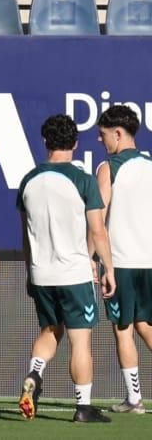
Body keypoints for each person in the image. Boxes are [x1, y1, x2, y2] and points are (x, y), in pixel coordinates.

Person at [17, 113, 114, 424]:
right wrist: (108, 269)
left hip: (42, 273)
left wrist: (30, 271)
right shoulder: (82, 179)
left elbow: (25, 234)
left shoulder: (29, 180)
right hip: (74, 273)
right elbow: (98, 231)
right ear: (75, 143)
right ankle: (83, 407)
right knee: (80, 340)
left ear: (45, 142)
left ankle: (35, 373)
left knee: (49, 331)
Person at [97, 104, 152, 414]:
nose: (101, 141)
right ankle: (133, 399)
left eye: (104, 135)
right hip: (150, 260)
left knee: (124, 328)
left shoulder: (109, 167)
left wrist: (96, 258)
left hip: (122, 261)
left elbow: (99, 216)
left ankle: (134, 400)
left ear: (118, 134)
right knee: (145, 325)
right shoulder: (150, 165)